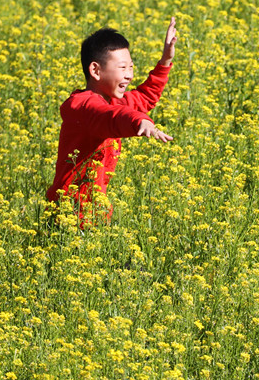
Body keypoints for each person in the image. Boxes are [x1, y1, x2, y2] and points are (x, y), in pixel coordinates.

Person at [46, 17, 177, 226]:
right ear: (96, 70)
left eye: (131, 68)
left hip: (93, 213)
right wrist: (140, 121)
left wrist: (165, 62)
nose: (129, 76)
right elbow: (112, 118)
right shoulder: (82, 106)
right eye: (123, 68)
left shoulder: (113, 102)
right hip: (68, 215)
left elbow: (143, 97)